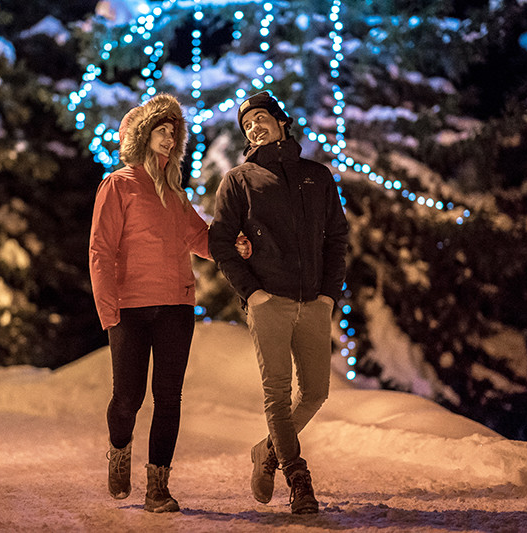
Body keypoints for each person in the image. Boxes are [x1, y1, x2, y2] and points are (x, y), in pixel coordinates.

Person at [89, 94, 250, 513]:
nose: (168, 136)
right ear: (143, 136)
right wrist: (109, 310)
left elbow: (201, 238)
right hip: (130, 309)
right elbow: (101, 250)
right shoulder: (118, 185)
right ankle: (119, 448)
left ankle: (158, 486)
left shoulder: (176, 195)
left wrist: (234, 245)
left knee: (169, 398)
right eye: (161, 129)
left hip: (176, 308)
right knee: (128, 398)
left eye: (173, 131)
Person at [208, 91, 349, 514]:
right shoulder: (239, 180)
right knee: (277, 394)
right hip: (269, 303)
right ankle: (297, 476)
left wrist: (328, 295)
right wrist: (253, 293)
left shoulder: (317, 175)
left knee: (316, 393)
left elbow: (337, 238)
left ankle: (266, 451)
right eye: (247, 123)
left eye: (261, 118)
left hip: (314, 302)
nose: (254, 126)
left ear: (280, 121)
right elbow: (220, 243)